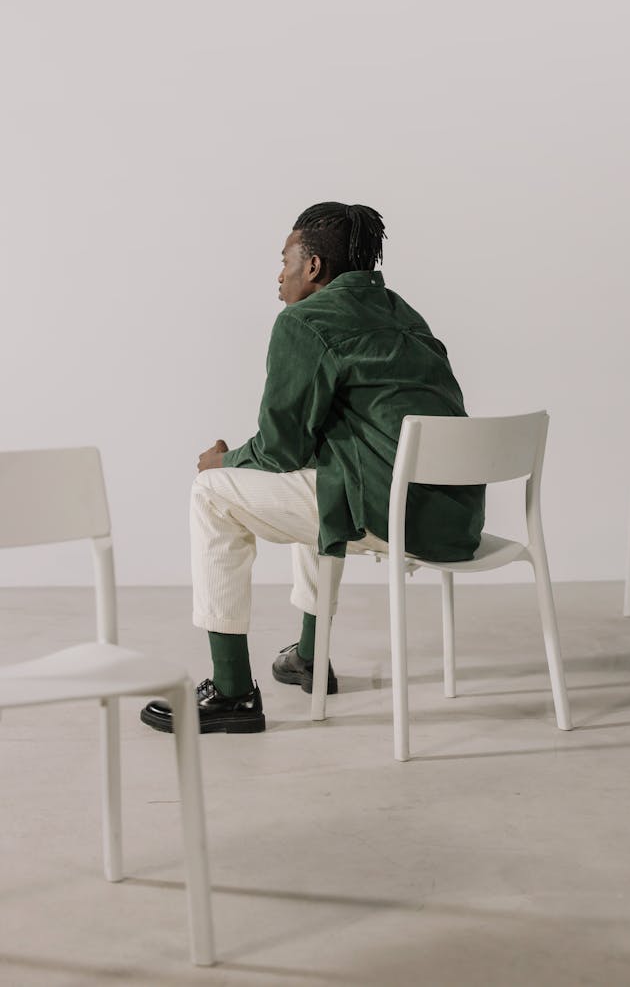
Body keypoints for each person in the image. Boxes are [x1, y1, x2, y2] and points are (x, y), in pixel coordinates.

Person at [141, 202, 485, 734]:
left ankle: (231, 692)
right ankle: (309, 654)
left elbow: (279, 450)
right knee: (326, 472)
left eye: (285, 259)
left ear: (314, 267)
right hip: (454, 519)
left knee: (211, 492)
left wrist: (223, 460)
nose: (279, 274)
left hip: (394, 514)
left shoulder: (304, 321)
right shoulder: (401, 312)